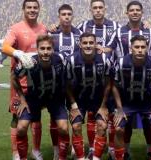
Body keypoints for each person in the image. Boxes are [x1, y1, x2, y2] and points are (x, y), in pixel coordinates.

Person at [11, 35, 70, 160]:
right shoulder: (28, 62)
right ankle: (23, 158)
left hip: (55, 98)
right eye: (42, 48)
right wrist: (22, 99)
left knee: (64, 128)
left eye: (49, 49)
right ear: (37, 49)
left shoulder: (61, 59)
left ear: (53, 49)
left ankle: (61, 157)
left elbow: (68, 77)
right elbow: (14, 78)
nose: (45, 52)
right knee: (21, 128)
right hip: (33, 99)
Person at [1, 0, 47, 160]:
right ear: (23, 9)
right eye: (29, 7)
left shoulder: (43, 28)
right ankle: (16, 152)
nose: (32, 10)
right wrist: (18, 53)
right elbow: (4, 47)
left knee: (36, 117)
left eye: (35, 7)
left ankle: (35, 150)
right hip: (19, 83)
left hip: (37, 83)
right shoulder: (16, 28)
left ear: (39, 9)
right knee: (16, 117)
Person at [76, 1, 120, 158]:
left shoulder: (115, 26)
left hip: (110, 75)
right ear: (91, 10)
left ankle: (113, 148)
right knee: (92, 115)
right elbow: (70, 33)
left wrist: (146, 25)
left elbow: (130, 34)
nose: (98, 10)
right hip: (90, 76)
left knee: (112, 114)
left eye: (100, 7)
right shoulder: (82, 26)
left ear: (105, 9)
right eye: (95, 7)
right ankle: (93, 148)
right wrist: (55, 27)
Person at [112, 35, 151, 160]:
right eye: (136, 47)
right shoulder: (121, 62)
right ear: (131, 48)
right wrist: (119, 108)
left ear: (147, 48)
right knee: (119, 129)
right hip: (127, 104)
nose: (140, 50)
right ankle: (122, 156)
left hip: (147, 104)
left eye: (143, 47)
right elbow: (114, 86)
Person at [65, 32, 112, 160]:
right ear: (80, 44)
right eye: (85, 43)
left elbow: (109, 84)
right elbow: (67, 85)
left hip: (98, 99)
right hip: (78, 99)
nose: (88, 45)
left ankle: (96, 158)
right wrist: (73, 105)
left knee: (102, 126)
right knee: (75, 126)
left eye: (91, 43)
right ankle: (80, 158)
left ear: (96, 44)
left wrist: (103, 106)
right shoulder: (71, 60)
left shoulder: (104, 59)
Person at [48, 4, 82, 159]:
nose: (66, 17)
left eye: (69, 14)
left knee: (75, 116)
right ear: (59, 16)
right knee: (55, 118)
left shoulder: (80, 35)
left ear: (73, 16)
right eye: (63, 14)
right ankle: (57, 149)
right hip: (56, 84)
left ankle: (75, 147)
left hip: (75, 84)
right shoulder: (52, 35)